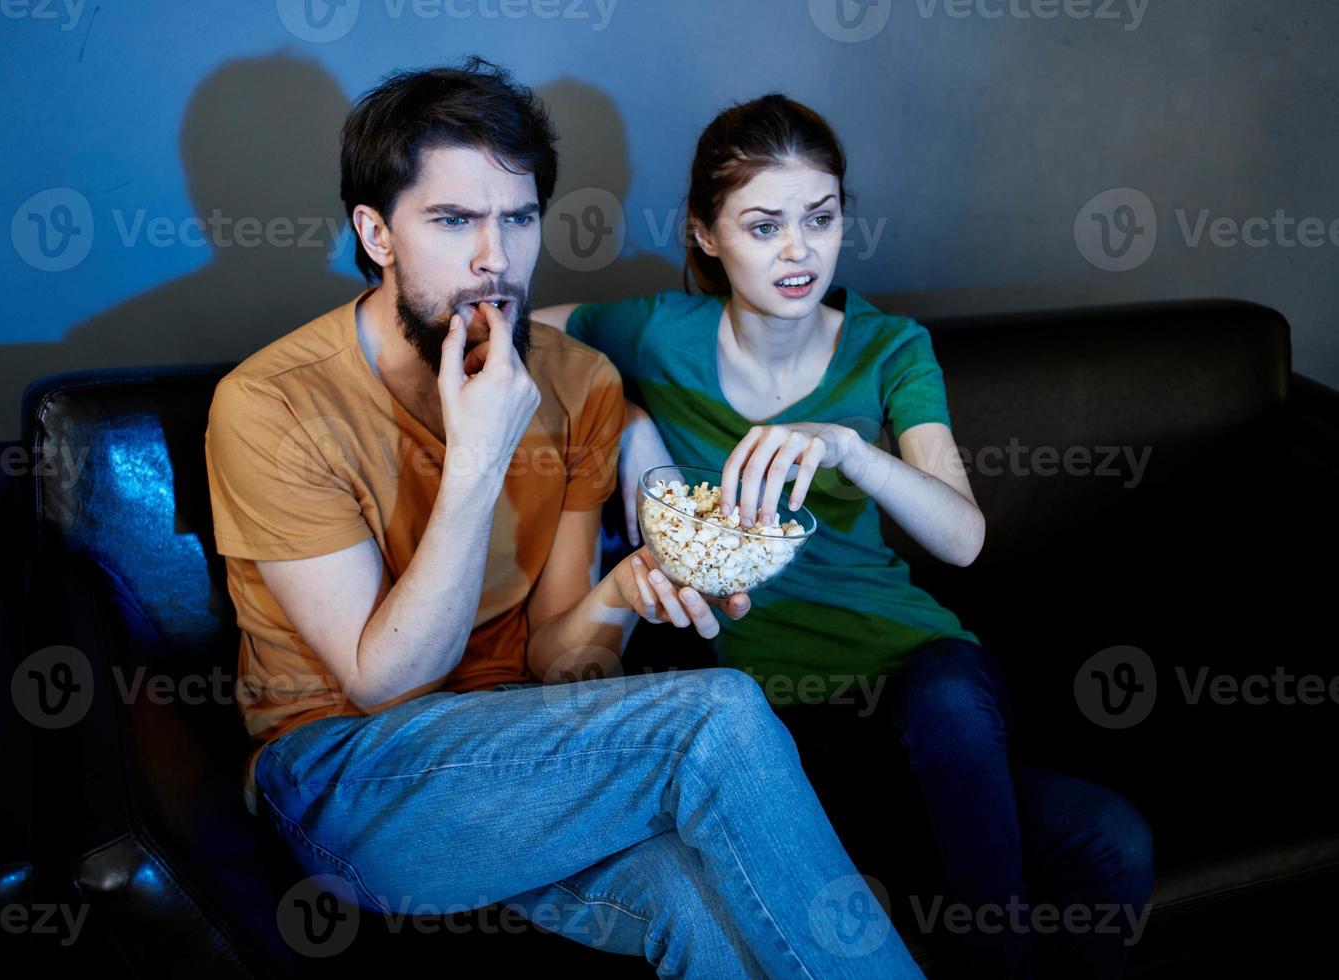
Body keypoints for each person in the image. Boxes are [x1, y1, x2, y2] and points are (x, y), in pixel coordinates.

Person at [204, 59, 924, 979]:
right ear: (376, 233)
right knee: (715, 716)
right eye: (453, 220)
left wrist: (626, 589)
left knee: (697, 907)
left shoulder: (579, 385)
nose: (492, 259)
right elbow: (383, 681)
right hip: (346, 776)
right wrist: (476, 460)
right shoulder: (272, 406)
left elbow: (557, 659)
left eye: (516, 218)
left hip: (523, 754)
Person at [536, 93, 1154, 979]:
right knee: (1102, 840)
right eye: (763, 225)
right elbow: (532, 336)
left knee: (1062, 801)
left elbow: (963, 539)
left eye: (819, 220)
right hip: (778, 716)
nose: (798, 251)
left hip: (927, 690)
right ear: (706, 236)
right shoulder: (656, 335)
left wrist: (850, 451)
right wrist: (632, 421)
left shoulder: (888, 348)